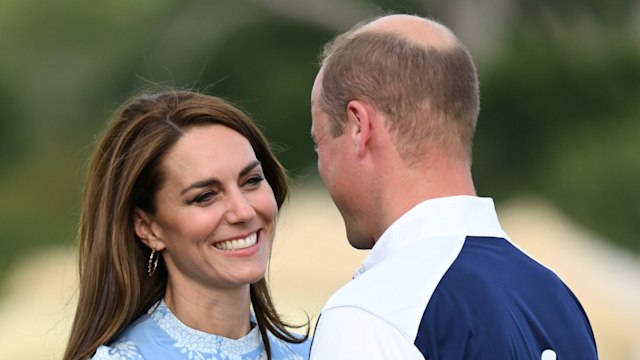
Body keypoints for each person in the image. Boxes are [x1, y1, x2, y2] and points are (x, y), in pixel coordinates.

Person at [309, 14, 598, 360]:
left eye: (319, 141)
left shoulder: (371, 314)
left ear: (359, 127)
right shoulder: (558, 300)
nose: (321, 163)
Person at [63, 89, 310, 360]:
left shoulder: (321, 351)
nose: (243, 211)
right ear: (148, 227)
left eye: (251, 180)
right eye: (205, 196)